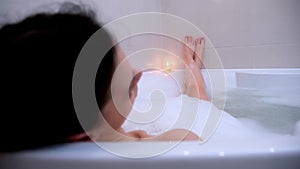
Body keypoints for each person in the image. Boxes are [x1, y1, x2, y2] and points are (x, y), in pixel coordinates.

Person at [0, 4, 209, 152]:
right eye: (130, 86)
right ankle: (194, 80)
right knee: (198, 105)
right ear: (83, 134)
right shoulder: (179, 142)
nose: (140, 74)